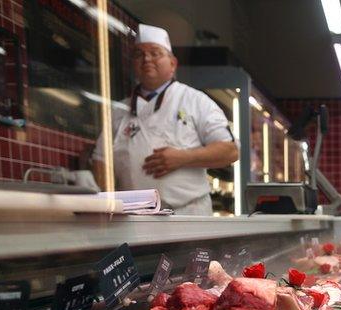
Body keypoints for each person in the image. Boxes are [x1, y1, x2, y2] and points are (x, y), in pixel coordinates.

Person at [92, 24, 238, 215]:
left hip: (187, 216)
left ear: (172, 63)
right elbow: (100, 160)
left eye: (155, 53)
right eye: (139, 54)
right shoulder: (119, 111)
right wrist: (106, 201)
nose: (146, 59)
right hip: (133, 219)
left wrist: (183, 158)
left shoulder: (196, 101)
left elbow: (230, 151)